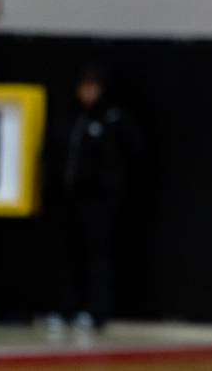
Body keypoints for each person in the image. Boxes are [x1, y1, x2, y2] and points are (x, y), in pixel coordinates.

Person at [45, 66, 139, 333]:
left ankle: (95, 312)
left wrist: (108, 185)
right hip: (69, 198)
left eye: (93, 87)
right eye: (84, 87)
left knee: (97, 256)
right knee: (67, 254)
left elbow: (129, 154)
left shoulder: (112, 118)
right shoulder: (72, 116)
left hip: (98, 202)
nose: (88, 93)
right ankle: (66, 309)